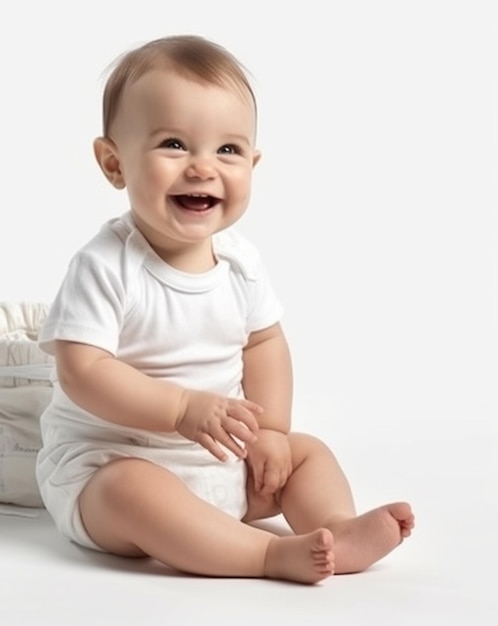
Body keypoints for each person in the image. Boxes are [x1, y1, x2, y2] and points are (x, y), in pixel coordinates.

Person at [35, 34, 414, 585]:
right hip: (107, 464)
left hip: (221, 461)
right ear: (113, 163)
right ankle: (264, 556)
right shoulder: (105, 264)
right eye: (173, 144)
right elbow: (82, 370)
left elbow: (264, 343)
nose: (202, 168)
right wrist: (180, 408)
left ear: (253, 164)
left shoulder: (241, 264)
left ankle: (334, 526)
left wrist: (271, 434)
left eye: (228, 150)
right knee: (133, 491)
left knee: (307, 454)